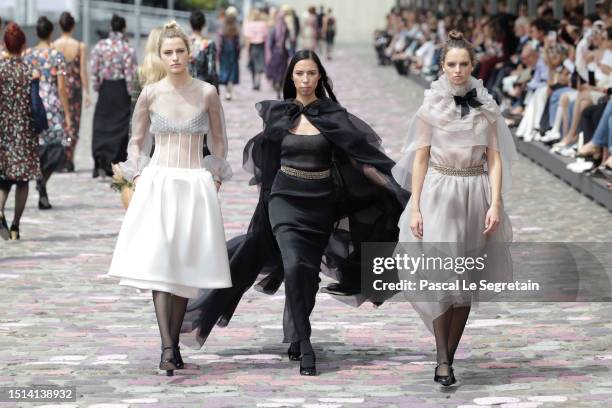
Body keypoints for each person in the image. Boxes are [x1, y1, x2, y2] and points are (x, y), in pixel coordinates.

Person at [184, 50, 409, 377]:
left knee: (306, 274)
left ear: (320, 77)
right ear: (291, 77)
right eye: (299, 74)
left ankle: (295, 333)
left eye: (311, 73)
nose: (305, 79)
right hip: (284, 202)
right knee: (292, 264)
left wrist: (395, 188)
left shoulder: (332, 115)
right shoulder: (279, 114)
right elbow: (267, 163)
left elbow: (361, 160)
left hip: (320, 204)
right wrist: (265, 206)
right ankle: (305, 346)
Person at [107, 21, 233, 377]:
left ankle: (173, 344)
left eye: (180, 51)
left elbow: (220, 138)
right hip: (158, 183)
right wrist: (139, 172)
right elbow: (136, 139)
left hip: (195, 184)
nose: (175, 57)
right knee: (161, 265)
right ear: (160, 56)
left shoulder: (207, 92)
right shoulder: (150, 93)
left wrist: (216, 175)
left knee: (183, 268)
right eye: (168, 52)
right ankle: (167, 347)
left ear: (189, 53)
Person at [392, 31, 517, 386]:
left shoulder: (487, 107)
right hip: (438, 192)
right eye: (451, 64)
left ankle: (448, 356)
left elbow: (494, 158)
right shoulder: (430, 106)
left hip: (474, 193)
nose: (458, 70)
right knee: (438, 275)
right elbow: (420, 159)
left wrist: (495, 201)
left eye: (464, 64)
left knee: (465, 279)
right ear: (442, 66)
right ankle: (442, 357)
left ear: (473, 66)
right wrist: (414, 206)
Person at [24, 16, 71, 210]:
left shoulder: (27, 55)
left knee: (39, 145)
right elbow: (61, 88)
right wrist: (67, 113)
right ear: (51, 33)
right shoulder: (57, 56)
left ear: (37, 33)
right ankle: (43, 180)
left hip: (33, 103)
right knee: (58, 147)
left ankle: (39, 180)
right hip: (51, 103)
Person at [0, 22, 41, 240]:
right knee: (23, 180)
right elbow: (35, 104)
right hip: (25, 129)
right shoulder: (30, 71)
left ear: (4, 46)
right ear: (24, 44)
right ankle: (15, 225)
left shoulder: (1, 69)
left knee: (4, 178)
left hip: (4, 129)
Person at [90, 14, 137, 178]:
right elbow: (131, 74)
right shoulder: (127, 49)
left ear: (110, 28)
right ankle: (115, 161)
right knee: (120, 126)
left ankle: (101, 160)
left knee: (101, 125)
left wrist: (97, 87)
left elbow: (94, 70)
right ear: (123, 29)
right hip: (121, 88)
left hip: (105, 88)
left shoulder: (100, 46)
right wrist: (131, 93)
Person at [53, 11, 91, 172]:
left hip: (58, 88)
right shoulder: (80, 46)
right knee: (74, 123)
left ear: (60, 26)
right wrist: (87, 91)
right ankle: (69, 159)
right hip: (74, 89)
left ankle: (60, 158)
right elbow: (83, 71)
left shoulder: (54, 45)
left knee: (60, 121)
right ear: (73, 26)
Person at [189, 10, 218, 91]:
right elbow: (211, 69)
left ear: (189, 23)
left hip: (186, 84)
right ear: (204, 24)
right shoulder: (209, 44)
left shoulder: (184, 42)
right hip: (203, 85)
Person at [218, 6, 240, 101]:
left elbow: (219, 44)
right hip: (233, 54)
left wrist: (218, 55)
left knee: (225, 72)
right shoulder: (236, 29)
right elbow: (238, 45)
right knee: (232, 73)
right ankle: (229, 92)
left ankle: (227, 92)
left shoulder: (222, 29)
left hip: (224, 54)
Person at [265, 11, 289, 99]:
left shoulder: (274, 29)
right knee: (282, 71)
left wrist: (269, 53)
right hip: (284, 53)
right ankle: (279, 87)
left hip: (275, 53)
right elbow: (289, 42)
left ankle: (277, 85)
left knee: (275, 70)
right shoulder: (286, 28)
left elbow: (270, 43)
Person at [243, 8, 268, 91]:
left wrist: (247, 50)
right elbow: (265, 37)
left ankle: (254, 82)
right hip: (261, 45)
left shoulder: (249, 24)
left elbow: (248, 38)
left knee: (253, 64)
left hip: (252, 46)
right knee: (259, 64)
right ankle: (258, 81)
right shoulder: (263, 24)